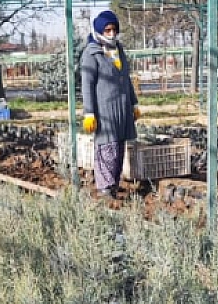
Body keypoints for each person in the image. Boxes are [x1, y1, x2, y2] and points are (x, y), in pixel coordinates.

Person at [78, 10, 140, 198]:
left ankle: (113, 185)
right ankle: (104, 187)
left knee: (119, 148)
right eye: (107, 30)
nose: (111, 33)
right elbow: (87, 85)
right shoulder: (92, 53)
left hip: (121, 108)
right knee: (107, 148)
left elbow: (125, 79)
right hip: (104, 110)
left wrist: (133, 103)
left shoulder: (118, 50)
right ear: (99, 31)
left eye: (114, 29)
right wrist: (89, 113)